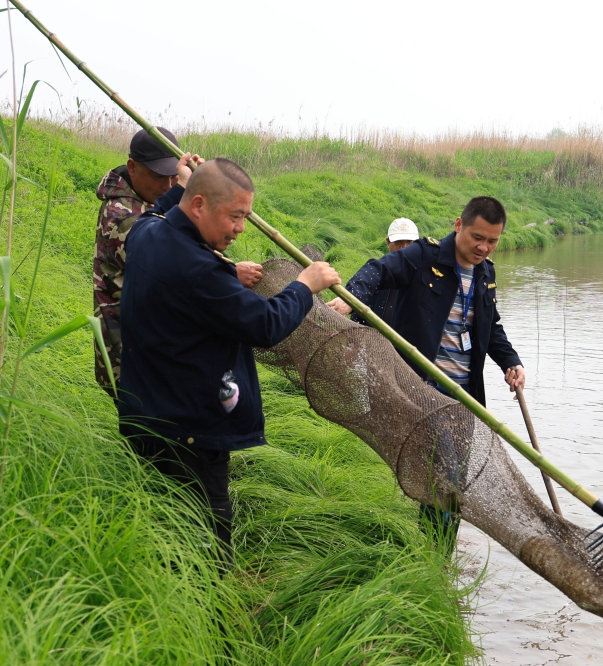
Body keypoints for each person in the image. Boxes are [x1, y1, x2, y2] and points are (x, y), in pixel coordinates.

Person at [119, 158, 340, 570]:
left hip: (144, 410)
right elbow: (266, 325)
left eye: (245, 217)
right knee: (208, 544)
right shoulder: (200, 270)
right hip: (189, 430)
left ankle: (157, 588)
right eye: (235, 216)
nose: (241, 228)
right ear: (198, 205)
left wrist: (182, 184)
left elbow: (157, 213)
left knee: (163, 523)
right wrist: (304, 286)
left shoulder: (146, 234)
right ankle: (208, 604)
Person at [326, 196, 524, 553]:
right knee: (445, 476)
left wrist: (511, 362)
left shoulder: (486, 274)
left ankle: (437, 555)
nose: (483, 247)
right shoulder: (424, 256)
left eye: (492, 241)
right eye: (477, 237)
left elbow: (490, 326)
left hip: (464, 397)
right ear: (458, 225)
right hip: (422, 389)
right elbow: (378, 270)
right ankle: (435, 554)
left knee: (453, 482)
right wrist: (351, 298)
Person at [92, 127, 261, 398]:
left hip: (155, 339)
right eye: (159, 177)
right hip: (127, 347)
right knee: (147, 419)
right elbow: (167, 257)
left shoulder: (145, 200)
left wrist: (202, 186)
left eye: (173, 176)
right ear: (133, 168)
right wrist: (231, 271)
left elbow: (176, 228)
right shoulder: (120, 215)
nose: (167, 186)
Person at [350, 217, 419, 326]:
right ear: (388, 242)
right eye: (398, 242)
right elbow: (358, 317)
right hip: (372, 335)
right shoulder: (375, 274)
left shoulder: (425, 277)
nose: (404, 248)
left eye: (409, 242)